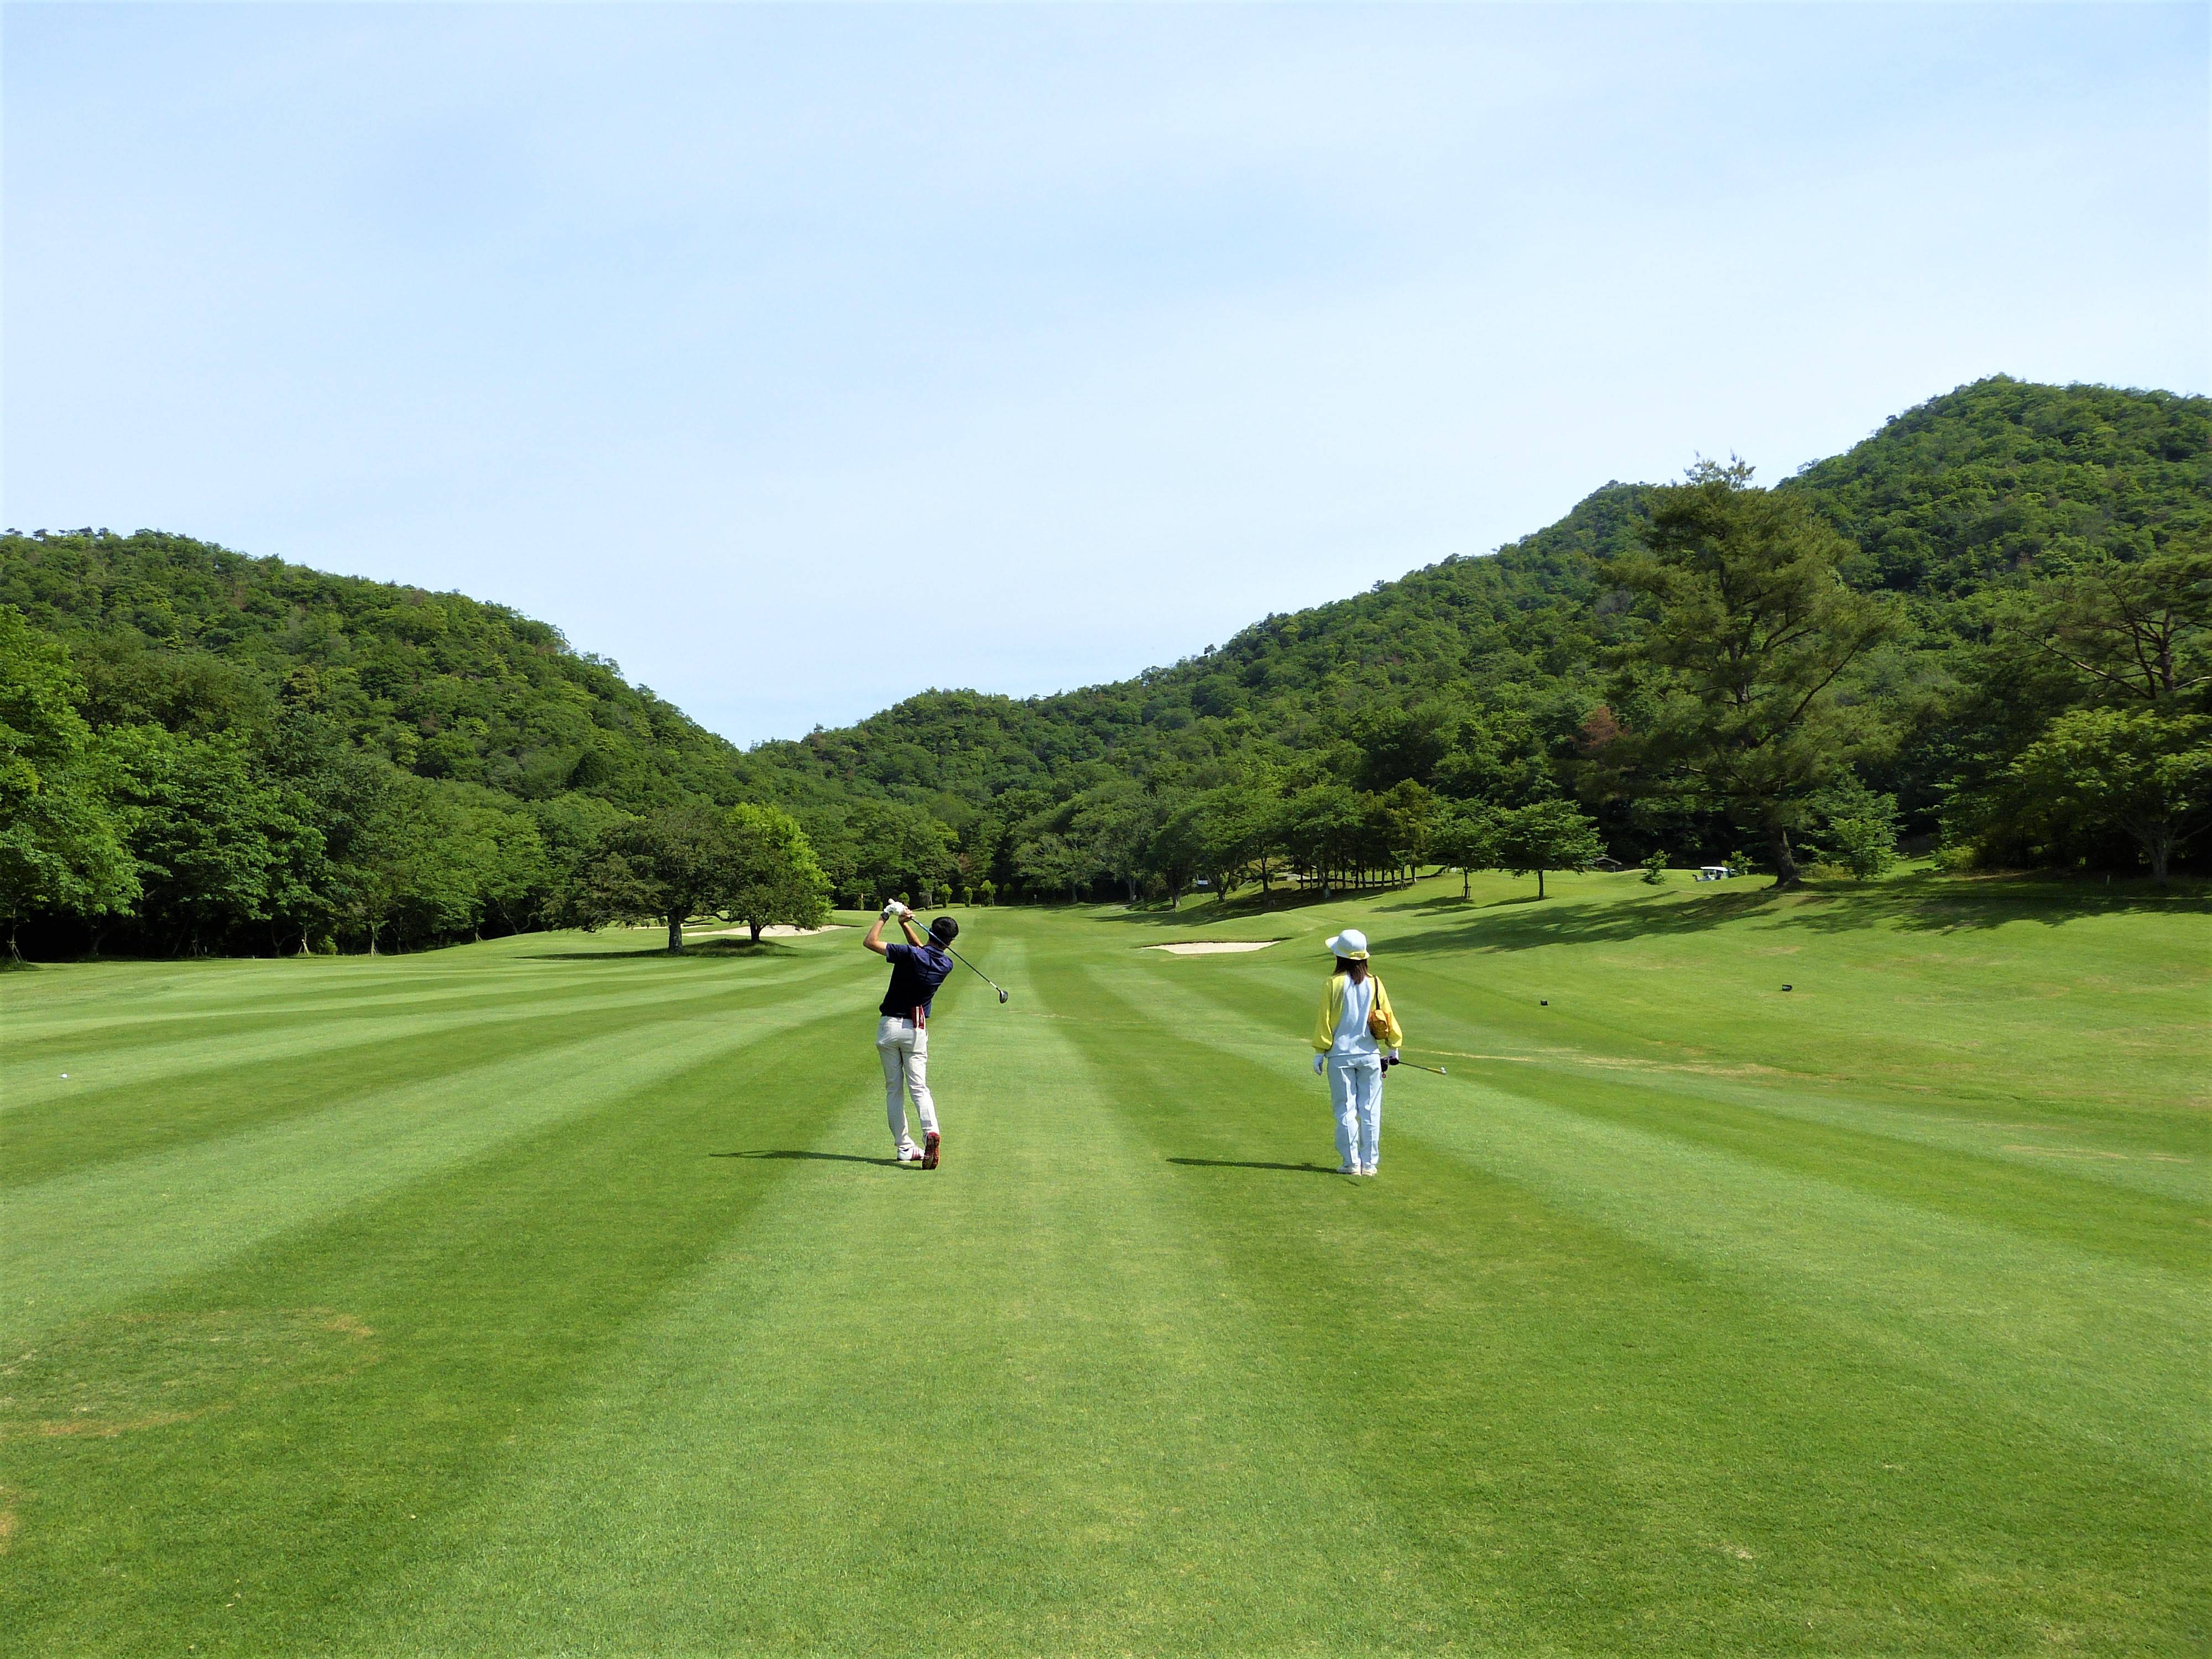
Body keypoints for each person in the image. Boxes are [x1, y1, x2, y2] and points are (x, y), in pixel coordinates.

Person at [864, 901, 958, 1168]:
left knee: (894, 1089)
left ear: (931, 932)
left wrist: (886, 915)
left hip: (890, 1028)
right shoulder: (946, 964)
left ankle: (905, 1147)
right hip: (916, 1032)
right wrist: (905, 924)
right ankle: (931, 1131)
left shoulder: (909, 955)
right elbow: (923, 951)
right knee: (919, 1087)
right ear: (950, 940)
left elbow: (870, 942)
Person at [1309, 927, 1402, 1177]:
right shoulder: (1374, 982)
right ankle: (1370, 1164)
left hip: (1340, 1056)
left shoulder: (1333, 983)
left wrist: (1320, 1051)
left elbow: (1325, 1021)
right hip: (1370, 1056)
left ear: (1340, 956)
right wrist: (1394, 1047)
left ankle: (1351, 1163)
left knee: (1346, 1110)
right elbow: (1388, 1017)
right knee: (1370, 1110)